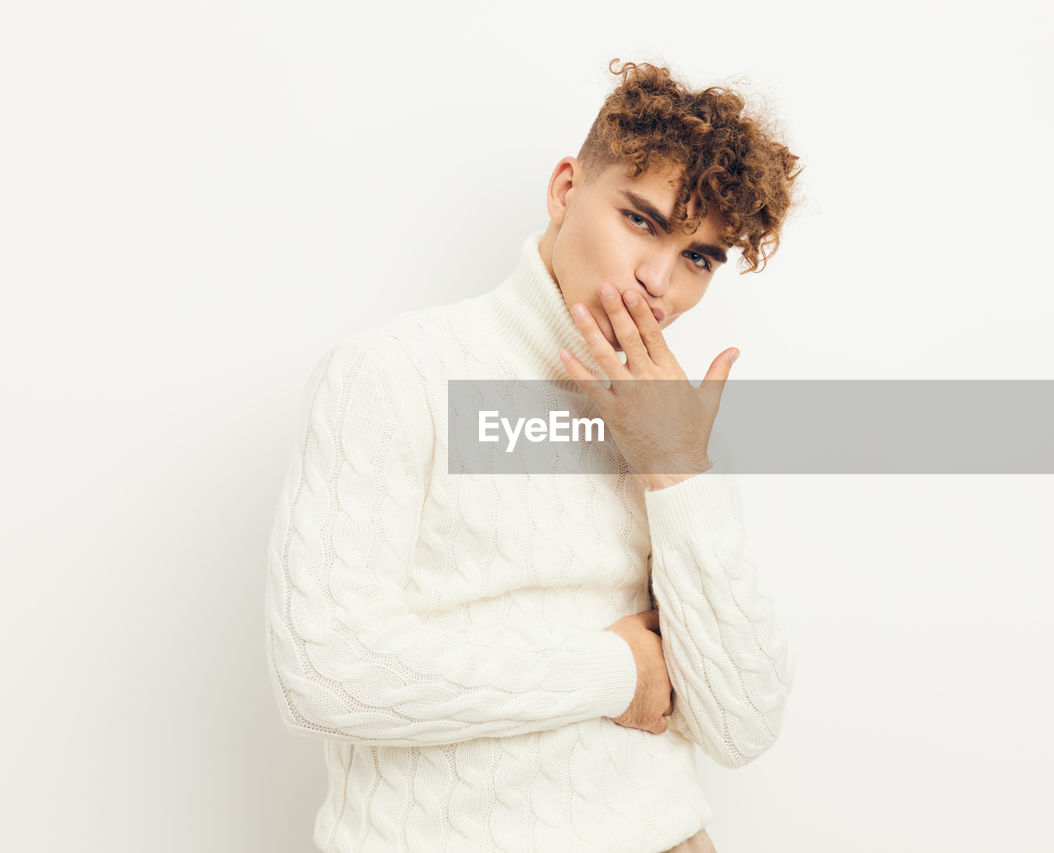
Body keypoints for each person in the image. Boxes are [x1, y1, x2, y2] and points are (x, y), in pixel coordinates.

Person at [265, 58, 802, 853]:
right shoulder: (394, 374)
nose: (659, 281)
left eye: (700, 257)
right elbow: (326, 672)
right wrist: (615, 670)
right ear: (564, 190)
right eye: (642, 221)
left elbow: (745, 722)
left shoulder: (670, 426)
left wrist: (678, 469)